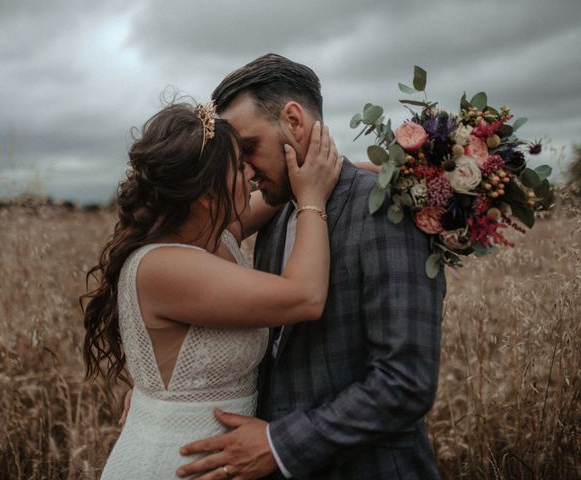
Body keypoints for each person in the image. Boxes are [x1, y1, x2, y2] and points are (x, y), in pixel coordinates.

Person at [176, 54, 446, 479]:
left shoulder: (387, 210)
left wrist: (279, 444)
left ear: (294, 121)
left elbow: (405, 382)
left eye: (248, 149)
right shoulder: (280, 212)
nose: (244, 172)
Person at [81, 100, 342, 479]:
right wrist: (312, 200)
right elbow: (305, 296)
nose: (252, 172)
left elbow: (280, 188)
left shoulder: (216, 234)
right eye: (239, 166)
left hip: (220, 462)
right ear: (206, 194)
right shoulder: (163, 266)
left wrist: (388, 173)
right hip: (171, 464)